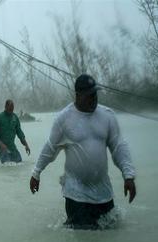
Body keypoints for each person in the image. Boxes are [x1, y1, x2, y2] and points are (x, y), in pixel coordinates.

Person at [30, 74, 137, 229]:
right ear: (78, 95)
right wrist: (36, 173)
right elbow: (50, 148)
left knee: (109, 239)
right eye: (89, 95)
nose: (93, 99)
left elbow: (119, 146)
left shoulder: (107, 115)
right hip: (76, 196)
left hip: (103, 194)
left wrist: (129, 175)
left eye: (95, 94)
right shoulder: (64, 118)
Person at [0, 99, 30, 164]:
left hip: (11, 146)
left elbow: (19, 132)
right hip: (0, 146)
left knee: (19, 161)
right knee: (7, 164)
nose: (11, 111)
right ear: (5, 107)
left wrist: (26, 145)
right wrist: (1, 144)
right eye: (9, 109)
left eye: (12, 109)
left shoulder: (15, 118)